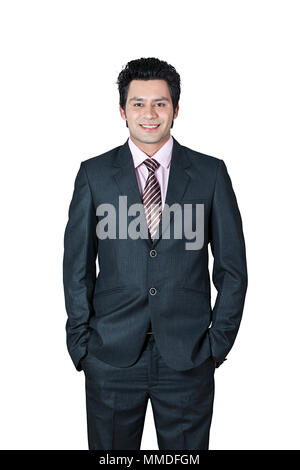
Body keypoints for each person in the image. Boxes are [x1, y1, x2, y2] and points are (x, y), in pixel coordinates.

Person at [62, 57, 248, 450]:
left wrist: (218, 345)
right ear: (122, 111)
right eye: (138, 103)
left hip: (188, 357)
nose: (149, 114)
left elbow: (232, 269)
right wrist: (82, 346)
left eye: (160, 103)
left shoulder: (211, 173)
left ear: (176, 110)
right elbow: (76, 266)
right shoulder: (93, 175)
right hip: (110, 357)